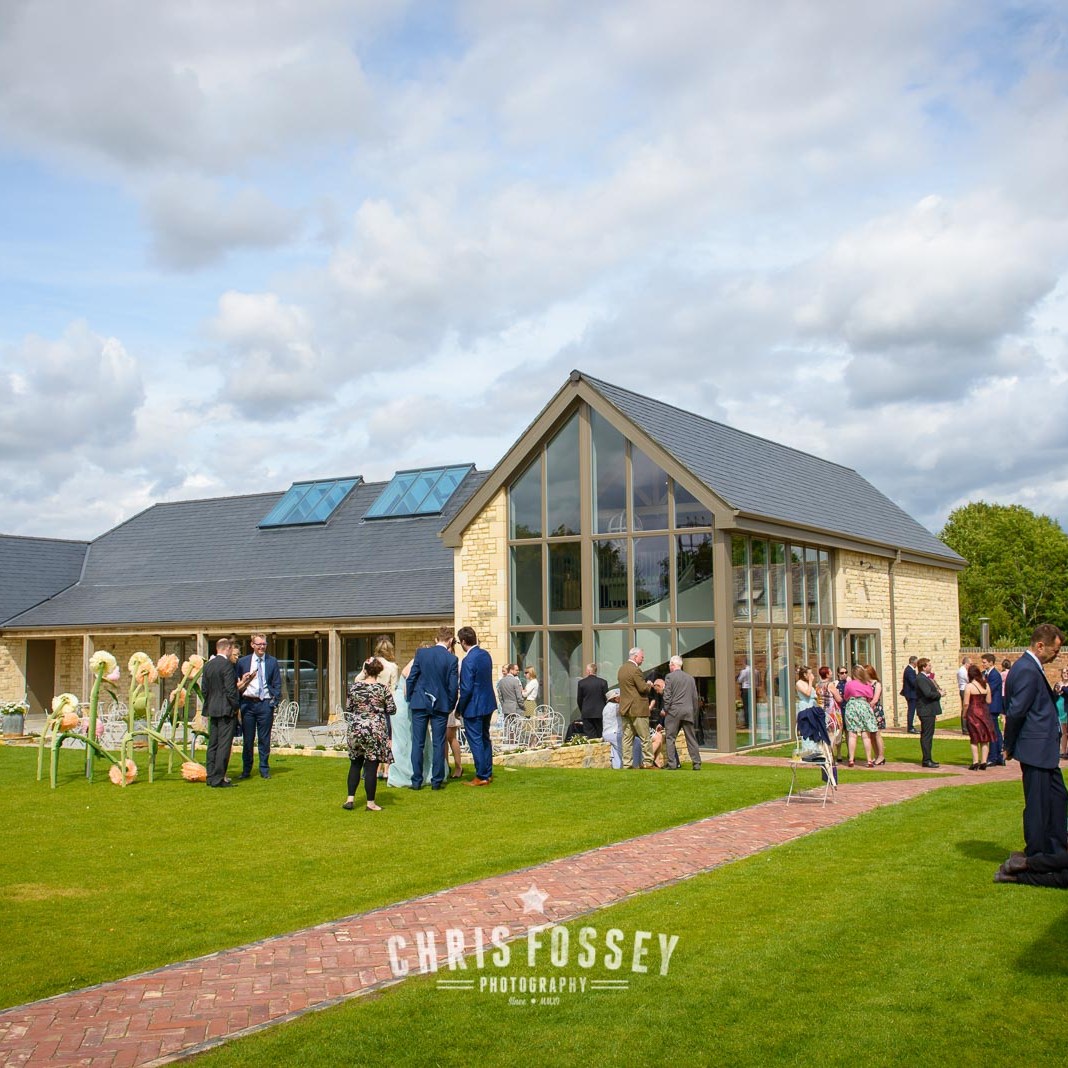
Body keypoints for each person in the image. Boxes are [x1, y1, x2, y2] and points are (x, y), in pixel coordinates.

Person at [1003, 624, 1066, 857]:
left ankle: (1057, 846)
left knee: (1058, 799)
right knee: (1038, 805)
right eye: (1055, 650)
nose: (1057, 655)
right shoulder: (1027, 669)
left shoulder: (1031, 667)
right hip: (1035, 749)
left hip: (1043, 750)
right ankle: (1037, 852)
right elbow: (1016, 711)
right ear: (1040, 645)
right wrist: (1008, 745)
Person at [405, 626, 459, 790]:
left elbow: (411, 678)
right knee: (438, 743)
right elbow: (452, 687)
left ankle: (416, 781)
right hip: (441, 705)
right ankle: (436, 781)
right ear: (450, 641)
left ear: (436, 639)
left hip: (420, 703)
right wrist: (450, 705)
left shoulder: (421, 653)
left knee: (418, 743)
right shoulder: (451, 659)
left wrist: (410, 698)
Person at [341, 657, 395, 812]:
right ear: (378, 671)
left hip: (356, 728)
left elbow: (349, 707)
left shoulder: (354, 687)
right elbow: (392, 709)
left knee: (355, 763)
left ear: (365, 670)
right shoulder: (382, 688)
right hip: (374, 729)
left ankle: (350, 799)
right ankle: (370, 803)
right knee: (371, 766)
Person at [235, 633, 282, 780]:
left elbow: (277, 682)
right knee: (248, 739)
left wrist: (274, 699)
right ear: (252, 645)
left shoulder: (272, 661)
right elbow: (236, 683)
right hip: (248, 704)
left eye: (264, 644)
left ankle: (264, 769)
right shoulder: (243, 662)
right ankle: (246, 770)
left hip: (265, 704)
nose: (262, 647)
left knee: (264, 739)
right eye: (259, 644)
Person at [388, 643, 433, 788]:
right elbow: (408, 688)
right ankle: (405, 774)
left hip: (410, 704)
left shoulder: (418, 663)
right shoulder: (415, 663)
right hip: (405, 705)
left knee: (414, 740)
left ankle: (417, 773)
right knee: (404, 740)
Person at [202, 638, 246, 787]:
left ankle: (210, 776)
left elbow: (204, 690)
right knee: (224, 745)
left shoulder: (208, 666)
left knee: (212, 744)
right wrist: (235, 707)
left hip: (212, 710)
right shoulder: (226, 665)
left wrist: (210, 704)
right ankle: (219, 778)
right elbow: (231, 690)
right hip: (226, 710)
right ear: (227, 649)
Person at [456, 625, 495, 785]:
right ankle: (488, 772)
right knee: (485, 738)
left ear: (464, 641)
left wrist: (459, 709)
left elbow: (466, 688)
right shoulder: (486, 655)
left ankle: (481, 775)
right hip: (488, 703)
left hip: (474, 706)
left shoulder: (468, 660)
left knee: (476, 740)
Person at [356, 637, 399, 780]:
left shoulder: (369, 662)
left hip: (369, 706)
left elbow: (358, 679)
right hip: (384, 705)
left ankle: (372, 770)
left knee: (371, 737)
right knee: (387, 737)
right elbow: (394, 689)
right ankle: (386, 770)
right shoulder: (393, 667)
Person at [617, 648, 662, 768]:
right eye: (642, 657)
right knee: (645, 737)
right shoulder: (635, 670)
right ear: (635, 656)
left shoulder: (621, 669)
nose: (643, 659)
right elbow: (643, 689)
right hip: (638, 709)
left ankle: (627, 764)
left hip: (625, 709)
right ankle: (648, 762)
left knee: (627, 738)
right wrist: (649, 684)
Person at [662, 655, 701, 770]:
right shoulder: (690, 678)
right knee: (691, 738)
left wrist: (666, 709)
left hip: (674, 711)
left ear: (673, 665)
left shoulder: (669, 677)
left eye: (669, 665)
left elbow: (667, 695)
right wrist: (693, 712)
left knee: (670, 738)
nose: (669, 667)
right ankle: (696, 763)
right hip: (688, 711)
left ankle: (672, 764)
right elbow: (695, 698)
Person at [842, 665, 877, 768]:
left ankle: (851, 759)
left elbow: (846, 696)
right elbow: (870, 696)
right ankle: (869, 760)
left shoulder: (849, 684)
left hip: (852, 706)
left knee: (852, 734)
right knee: (866, 735)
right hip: (863, 705)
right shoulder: (867, 684)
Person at [962, 664, 995, 770]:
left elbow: (966, 703)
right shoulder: (986, 685)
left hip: (973, 713)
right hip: (984, 713)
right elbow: (989, 701)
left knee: (974, 738)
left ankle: (975, 762)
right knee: (985, 739)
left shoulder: (969, 686)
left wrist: (964, 714)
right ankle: (984, 762)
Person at [913, 658, 942, 768]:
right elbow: (928, 693)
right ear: (924, 667)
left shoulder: (925, 678)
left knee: (928, 735)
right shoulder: (921, 678)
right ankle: (926, 759)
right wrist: (939, 694)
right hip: (925, 710)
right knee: (926, 735)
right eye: (929, 665)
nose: (931, 667)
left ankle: (928, 758)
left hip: (929, 710)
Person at [981, 653, 1006, 766]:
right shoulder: (987, 674)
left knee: (993, 732)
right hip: (990, 706)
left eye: (984, 662)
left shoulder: (995, 675)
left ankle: (993, 757)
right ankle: (999, 756)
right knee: (995, 732)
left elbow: (989, 689)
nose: (983, 664)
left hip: (993, 707)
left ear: (991, 662)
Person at [576, 663, 609, 740]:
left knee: (590, 736)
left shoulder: (582, 683)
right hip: (600, 712)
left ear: (588, 671)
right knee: (601, 734)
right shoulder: (603, 682)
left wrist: (583, 709)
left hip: (587, 712)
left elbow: (579, 699)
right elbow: (606, 698)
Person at [816, 666, 843, 760]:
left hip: (821, 712)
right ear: (827, 674)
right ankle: (829, 755)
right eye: (830, 672)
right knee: (832, 735)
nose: (831, 673)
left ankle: (824, 753)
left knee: (824, 733)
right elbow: (838, 698)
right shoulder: (830, 685)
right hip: (831, 712)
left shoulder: (817, 685)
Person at [864, 664, 886, 765]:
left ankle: (881, 756)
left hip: (875, 710)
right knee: (871, 735)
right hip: (867, 710)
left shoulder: (877, 684)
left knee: (877, 733)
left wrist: (869, 705)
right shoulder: (864, 683)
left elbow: (875, 698)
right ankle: (876, 755)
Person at [601, 688, 622, 769]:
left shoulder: (606, 707)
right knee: (636, 742)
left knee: (616, 751)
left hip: (607, 734)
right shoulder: (616, 707)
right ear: (615, 698)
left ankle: (617, 767)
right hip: (614, 734)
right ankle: (636, 765)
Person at [901, 656, 919, 733]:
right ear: (913, 662)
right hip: (911, 694)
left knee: (912, 710)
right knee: (911, 710)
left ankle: (911, 726)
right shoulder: (909, 670)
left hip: (911, 693)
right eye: (917, 662)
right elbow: (913, 682)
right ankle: (910, 727)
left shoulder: (911, 670)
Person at [957, 655, 972, 735]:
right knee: (965, 708)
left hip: (964, 689)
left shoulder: (963, 670)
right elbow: (969, 679)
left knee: (967, 708)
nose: (970, 666)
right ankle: (965, 729)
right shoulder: (962, 671)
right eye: (970, 664)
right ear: (966, 663)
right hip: (964, 690)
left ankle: (967, 728)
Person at [1056, 667, 1068, 760]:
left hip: (1067, 709)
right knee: (1063, 732)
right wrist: (1057, 691)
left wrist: (1063, 688)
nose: (1065, 674)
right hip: (1060, 710)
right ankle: (1063, 752)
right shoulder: (1058, 684)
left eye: (1067, 672)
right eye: (1063, 672)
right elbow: (1053, 695)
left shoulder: (1065, 686)